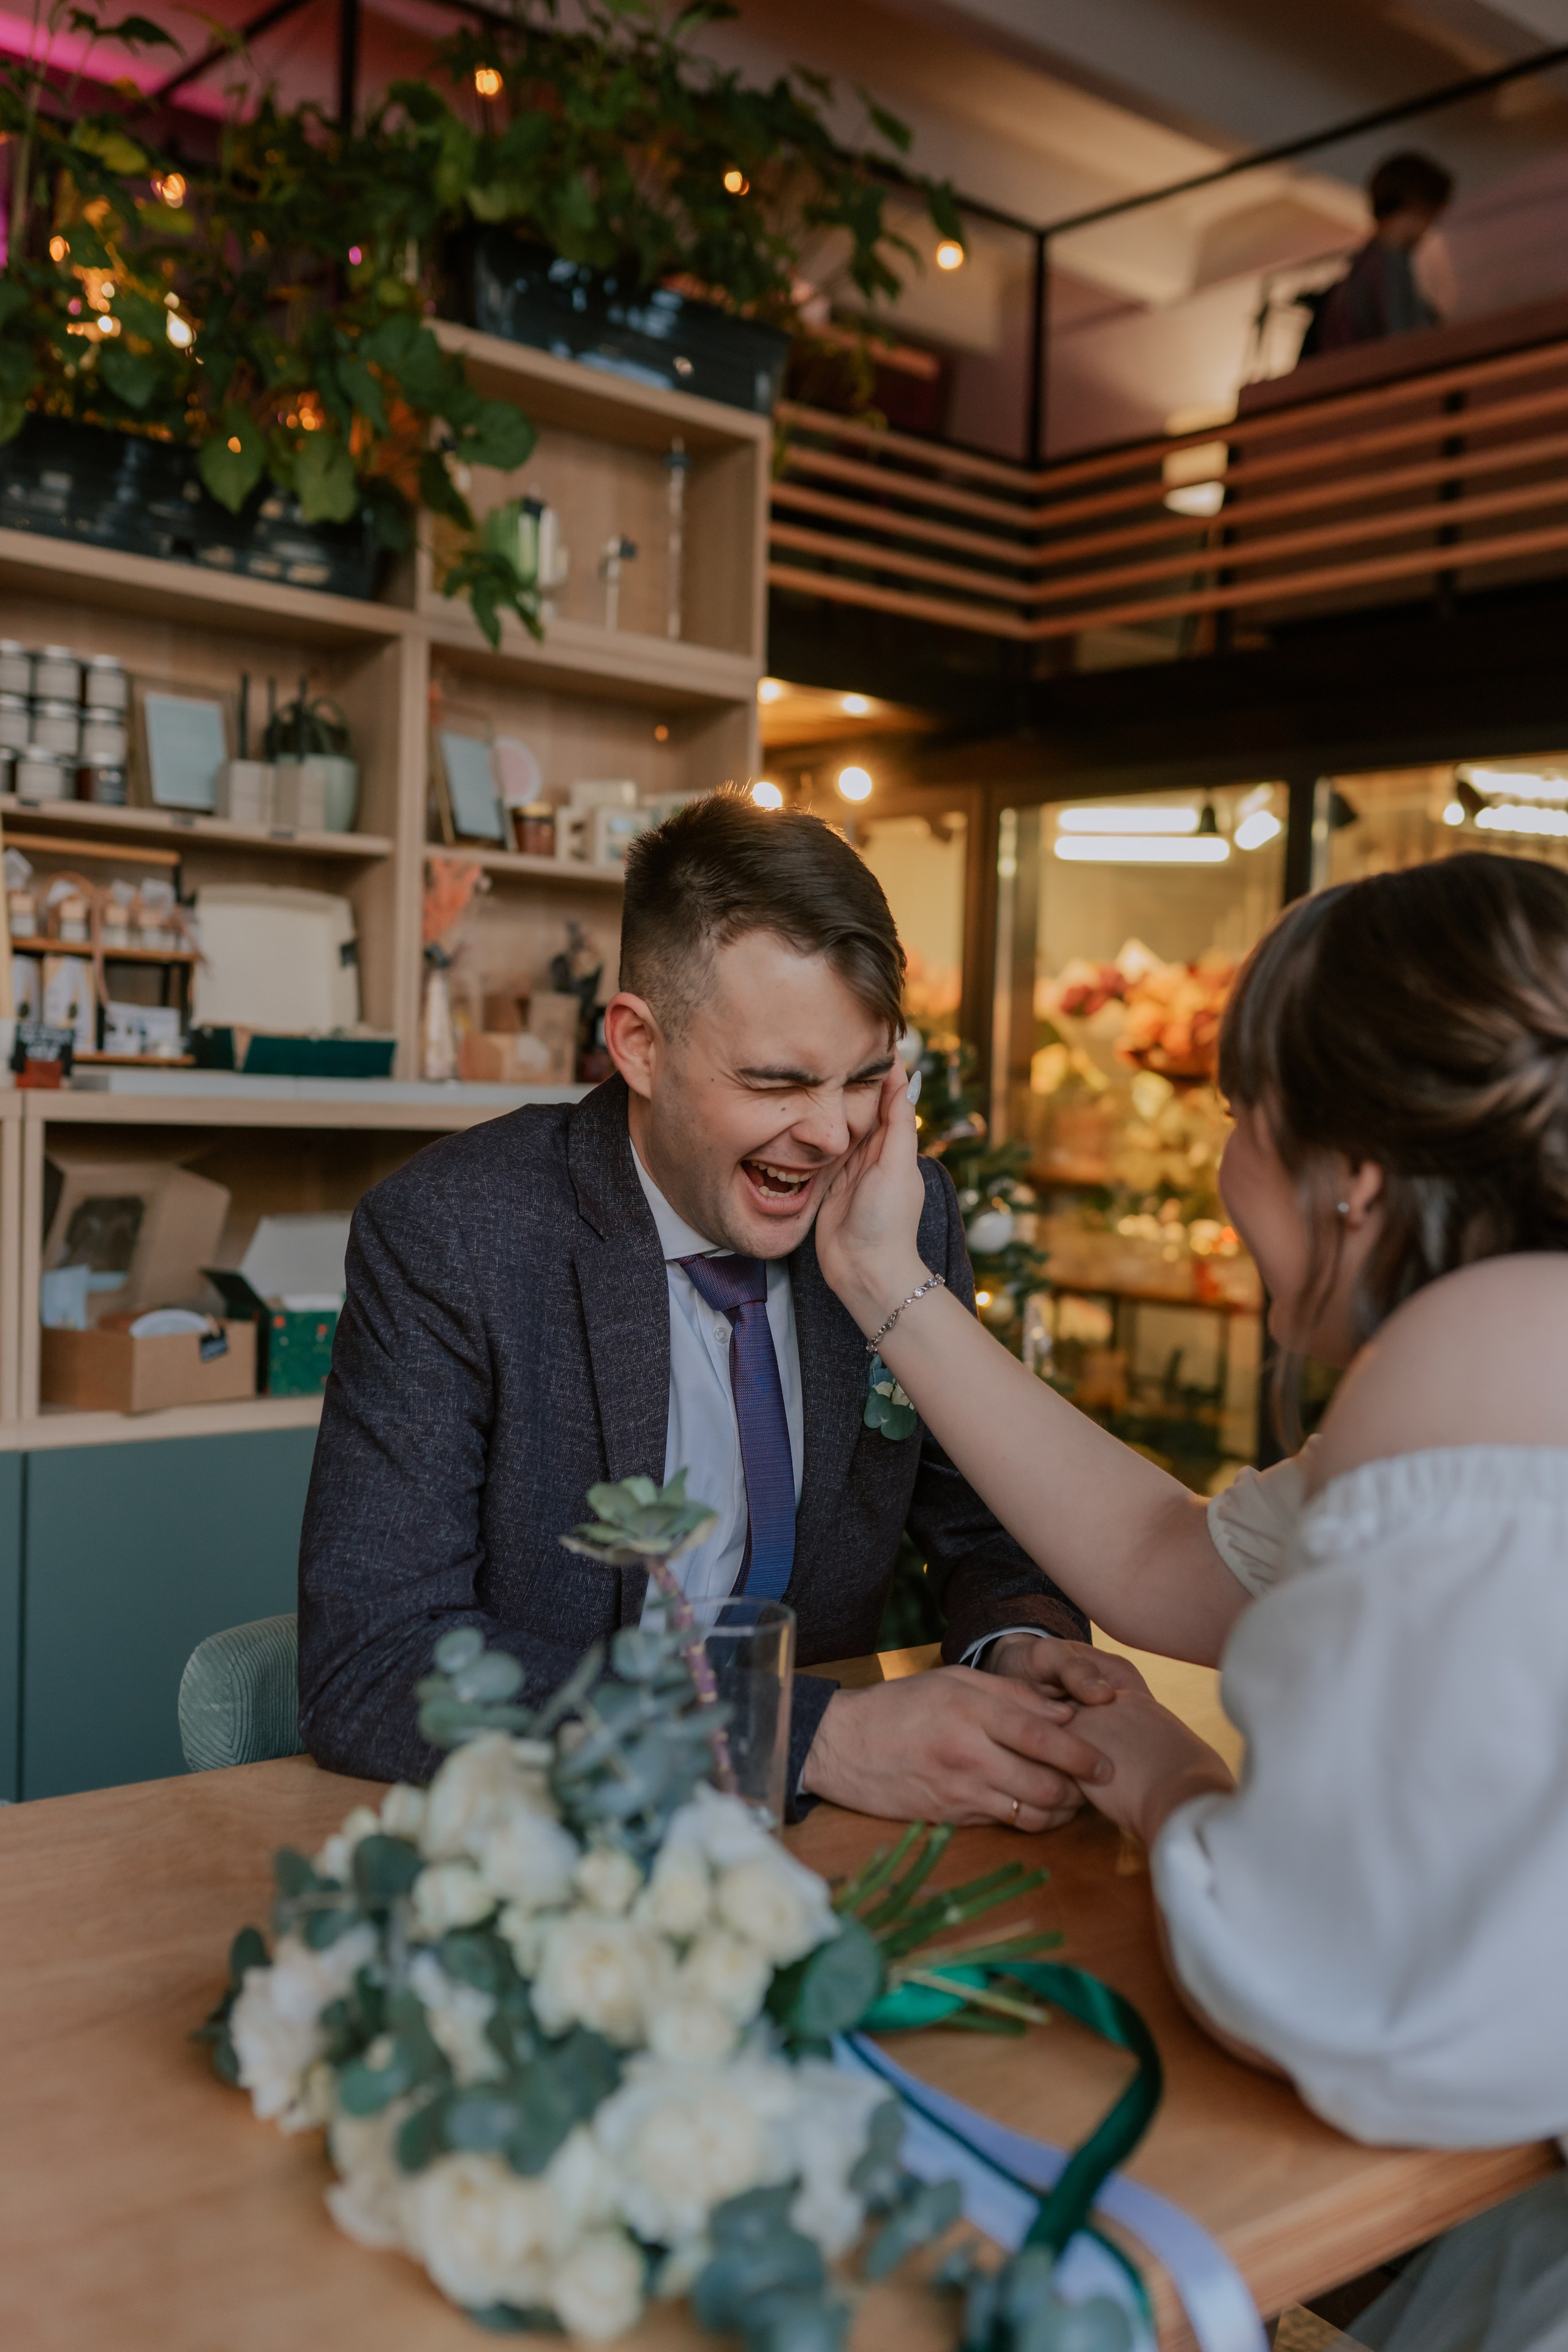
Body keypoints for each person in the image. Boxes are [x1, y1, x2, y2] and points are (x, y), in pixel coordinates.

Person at [813, 851, 1568, 2345]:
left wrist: (1168, 1787)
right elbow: (1167, 1557)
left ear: (1347, 1170)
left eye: (1237, 1115)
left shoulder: (1459, 1360)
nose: (1221, 1170)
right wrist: (881, 1274)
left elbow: (1332, 1993)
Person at [299, 789, 1106, 1826]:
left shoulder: (902, 1207)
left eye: (865, 1079)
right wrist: (811, 1737)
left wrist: (1018, 1642)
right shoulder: (454, 1235)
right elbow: (375, 1665)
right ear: (639, 1044)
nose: (831, 1135)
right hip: (552, 1840)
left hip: (835, 1851)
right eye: (777, 1083)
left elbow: (989, 1521)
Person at [1299, 149, 1453, 360]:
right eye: (1431, 216)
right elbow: (1405, 346)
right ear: (1416, 205)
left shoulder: (1363, 267)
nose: (1429, 228)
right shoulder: (1387, 265)